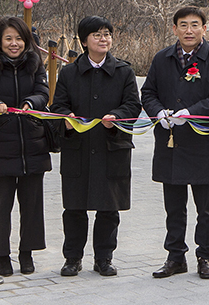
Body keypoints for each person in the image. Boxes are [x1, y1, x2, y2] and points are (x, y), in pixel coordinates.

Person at [141, 6, 209, 280]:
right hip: (171, 142)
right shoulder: (161, 59)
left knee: (205, 206)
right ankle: (175, 256)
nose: (189, 30)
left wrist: (190, 113)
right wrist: (159, 112)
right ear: (174, 29)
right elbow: (148, 92)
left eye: (195, 25)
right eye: (183, 25)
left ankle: (205, 255)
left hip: (202, 143)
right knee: (174, 206)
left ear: (205, 28)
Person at [50, 16, 141, 277]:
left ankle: (104, 257)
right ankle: (72, 258)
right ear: (84, 41)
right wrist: (65, 119)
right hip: (78, 147)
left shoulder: (124, 71)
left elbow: (133, 106)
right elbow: (58, 106)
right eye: (97, 35)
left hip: (111, 147)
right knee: (75, 207)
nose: (104, 39)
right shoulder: (69, 71)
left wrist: (117, 116)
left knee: (108, 208)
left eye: (107, 34)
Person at [0, 16, 52, 278]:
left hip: (32, 142)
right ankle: (1, 256)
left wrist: (31, 103)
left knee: (31, 204)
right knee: (0, 205)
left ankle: (27, 253)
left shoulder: (35, 63)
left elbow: (43, 92)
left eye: (18, 38)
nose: (14, 44)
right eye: (8, 38)